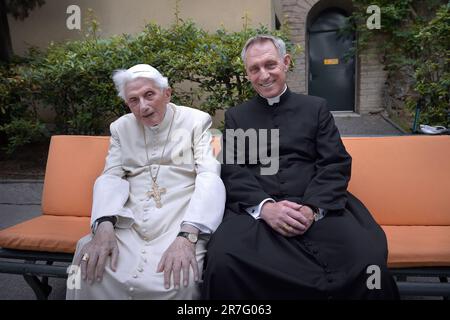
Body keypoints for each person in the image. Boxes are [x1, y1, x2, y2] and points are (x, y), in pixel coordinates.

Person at [201, 35, 399, 299]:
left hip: (318, 207)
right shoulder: (238, 116)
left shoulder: (316, 108)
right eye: (254, 69)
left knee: (367, 261)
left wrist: (312, 208)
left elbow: (335, 162)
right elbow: (232, 169)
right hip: (260, 213)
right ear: (247, 74)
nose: (264, 75)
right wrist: (266, 208)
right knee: (222, 260)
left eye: (270, 65)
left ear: (285, 63)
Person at [66, 64, 225, 300]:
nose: (143, 106)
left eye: (149, 94)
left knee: (181, 279)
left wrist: (188, 236)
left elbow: (209, 175)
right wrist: (104, 225)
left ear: (167, 93)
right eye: (133, 100)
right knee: (88, 266)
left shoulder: (195, 121)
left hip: (178, 219)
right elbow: (111, 175)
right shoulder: (121, 127)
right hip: (130, 221)